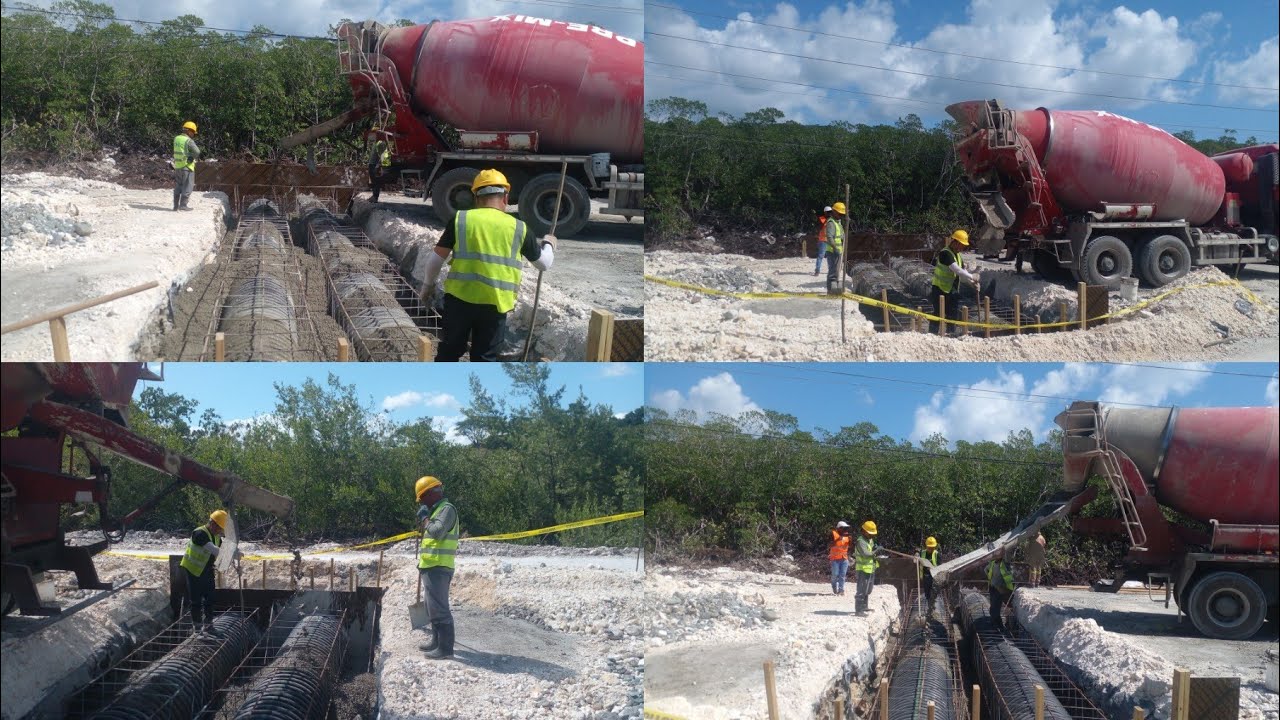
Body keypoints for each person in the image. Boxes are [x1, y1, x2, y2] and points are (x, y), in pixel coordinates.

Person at [419, 169, 555, 361]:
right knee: (485, 359)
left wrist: (427, 286)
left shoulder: (461, 220)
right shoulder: (519, 227)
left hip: (459, 302)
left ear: (476, 197)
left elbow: (435, 260)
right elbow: (544, 264)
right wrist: (549, 244)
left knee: (449, 352)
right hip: (495, 306)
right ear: (506, 198)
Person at [416, 476, 460, 659]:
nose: (422, 502)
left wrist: (425, 518)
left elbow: (437, 532)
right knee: (431, 607)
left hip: (439, 566)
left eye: (422, 498)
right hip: (431, 565)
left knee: (440, 608)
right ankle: (436, 641)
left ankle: (445, 649)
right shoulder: (438, 511)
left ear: (430, 493)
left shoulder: (446, 510)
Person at [180, 509, 239, 633]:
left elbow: (223, 549)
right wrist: (232, 554)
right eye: (219, 528)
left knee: (210, 597)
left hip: (206, 570)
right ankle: (197, 628)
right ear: (212, 523)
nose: (220, 531)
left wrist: (236, 553)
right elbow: (214, 550)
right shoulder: (199, 533)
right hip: (193, 570)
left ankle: (208, 625)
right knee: (195, 600)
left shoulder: (216, 536)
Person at [929, 229, 981, 333]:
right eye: (962, 245)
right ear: (955, 242)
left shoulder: (957, 255)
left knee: (952, 315)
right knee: (938, 314)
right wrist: (972, 276)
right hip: (939, 289)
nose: (963, 248)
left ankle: (951, 335)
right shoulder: (945, 253)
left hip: (952, 290)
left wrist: (973, 283)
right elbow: (956, 269)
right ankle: (932, 335)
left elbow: (963, 271)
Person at [853, 519, 880, 615]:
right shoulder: (860, 542)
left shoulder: (869, 540)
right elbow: (866, 554)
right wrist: (876, 551)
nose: (872, 535)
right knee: (862, 589)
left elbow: (871, 549)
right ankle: (859, 610)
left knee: (868, 589)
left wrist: (875, 548)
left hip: (870, 568)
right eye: (870, 533)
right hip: (863, 569)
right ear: (864, 531)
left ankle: (865, 606)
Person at [986, 546, 1015, 632]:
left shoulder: (1003, 563)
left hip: (1000, 588)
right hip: (994, 587)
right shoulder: (993, 563)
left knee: (996, 606)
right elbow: (986, 570)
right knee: (994, 606)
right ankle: (996, 623)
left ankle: (997, 623)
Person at [173, 121, 200, 211]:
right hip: (187, 167)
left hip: (177, 166)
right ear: (189, 131)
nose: (193, 135)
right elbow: (197, 152)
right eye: (193, 132)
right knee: (188, 186)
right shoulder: (188, 141)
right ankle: (183, 205)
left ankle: (175, 206)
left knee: (178, 186)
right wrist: (191, 157)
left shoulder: (176, 138)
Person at [824, 203, 846, 288]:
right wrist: (835, 248)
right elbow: (830, 237)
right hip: (833, 251)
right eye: (839, 214)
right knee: (833, 272)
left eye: (842, 214)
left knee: (837, 271)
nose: (841, 216)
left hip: (838, 250)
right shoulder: (831, 223)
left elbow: (841, 235)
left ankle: (835, 288)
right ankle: (831, 290)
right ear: (834, 212)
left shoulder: (838, 222)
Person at [368, 129, 392, 203]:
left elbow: (384, 157)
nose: (371, 136)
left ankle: (375, 197)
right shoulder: (376, 143)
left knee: (376, 182)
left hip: (375, 165)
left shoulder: (380, 143)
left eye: (373, 134)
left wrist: (380, 167)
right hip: (372, 164)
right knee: (373, 182)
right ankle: (374, 196)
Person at [829, 520, 852, 595]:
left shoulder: (847, 536)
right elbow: (829, 545)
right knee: (835, 574)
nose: (845, 530)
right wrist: (837, 539)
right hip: (835, 558)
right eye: (843, 528)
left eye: (846, 528)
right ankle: (834, 586)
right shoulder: (833, 534)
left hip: (844, 558)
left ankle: (841, 590)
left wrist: (851, 541)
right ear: (839, 528)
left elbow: (851, 547)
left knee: (842, 575)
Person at [919, 536, 940, 615]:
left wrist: (932, 568)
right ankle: (929, 606)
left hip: (934, 577)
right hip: (926, 576)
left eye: (932, 547)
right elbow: (920, 565)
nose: (931, 549)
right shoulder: (922, 553)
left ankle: (934, 606)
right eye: (929, 547)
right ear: (926, 546)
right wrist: (921, 576)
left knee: (934, 592)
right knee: (927, 592)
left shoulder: (937, 554)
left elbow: (939, 566)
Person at [814, 208, 830, 276]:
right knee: (821, 256)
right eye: (828, 212)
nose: (829, 213)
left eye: (830, 212)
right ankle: (817, 270)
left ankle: (831, 270)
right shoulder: (821, 219)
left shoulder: (832, 219)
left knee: (830, 256)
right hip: (823, 240)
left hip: (830, 240)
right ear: (825, 212)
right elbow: (819, 226)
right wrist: (827, 220)